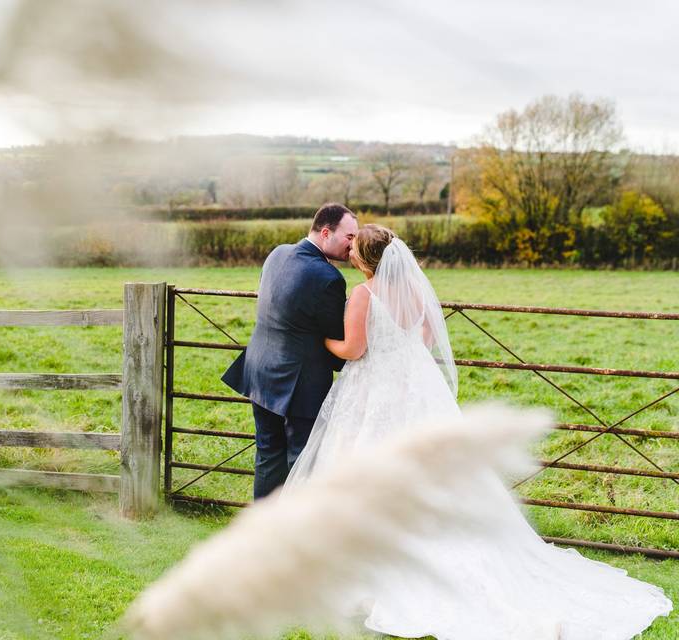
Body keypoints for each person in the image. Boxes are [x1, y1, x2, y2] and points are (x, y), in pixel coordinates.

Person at [284, 223, 672, 640]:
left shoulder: (363, 294)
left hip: (375, 390)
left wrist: (324, 342)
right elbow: (427, 337)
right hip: (416, 389)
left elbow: (354, 349)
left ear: (362, 258)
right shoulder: (414, 291)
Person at [221, 202, 359, 499]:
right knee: (303, 463)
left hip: (259, 370)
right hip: (299, 383)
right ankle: (297, 536)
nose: (353, 244)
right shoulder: (329, 278)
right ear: (326, 232)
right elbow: (338, 343)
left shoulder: (277, 253)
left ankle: (263, 531)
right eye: (349, 237)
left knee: (268, 456)